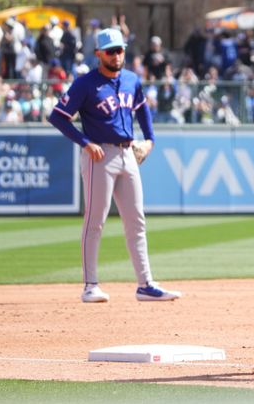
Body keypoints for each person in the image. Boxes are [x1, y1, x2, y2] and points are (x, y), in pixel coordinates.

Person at [48, 28, 181, 304]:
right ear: (99, 54)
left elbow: (142, 108)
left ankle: (145, 284)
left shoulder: (131, 79)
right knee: (95, 222)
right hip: (100, 156)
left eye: (120, 49)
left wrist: (150, 141)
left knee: (136, 221)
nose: (117, 55)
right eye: (111, 51)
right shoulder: (86, 84)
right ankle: (90, 285)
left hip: (128, 153)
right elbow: (58, 117)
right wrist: (85, 142)